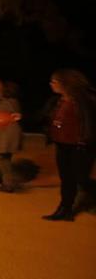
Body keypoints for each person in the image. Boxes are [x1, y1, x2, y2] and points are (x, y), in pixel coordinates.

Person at [41, 69, 96, 221]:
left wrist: (86, 140)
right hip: (62, 145)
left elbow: (90, 123)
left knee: (81, 178)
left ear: (66, 83)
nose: (51, 84)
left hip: (80, 146)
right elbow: (46, 117)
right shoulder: (57, 100)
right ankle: (64, 209)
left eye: (54, 81)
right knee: (66, 179)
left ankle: (88, 200)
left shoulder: (86, 100)